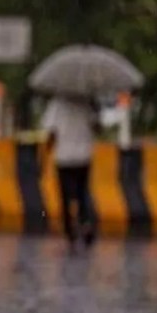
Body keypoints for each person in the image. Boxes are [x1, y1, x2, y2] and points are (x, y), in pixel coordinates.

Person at [42, 94, 101, 249]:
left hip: (63, 157)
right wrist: (96, 110)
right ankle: (85, 223)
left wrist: (45, 153)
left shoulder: (56, 105)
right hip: (83, 156)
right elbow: (97, 128)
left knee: (65, 195)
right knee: (82, 193)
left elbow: (51, 133)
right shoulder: (86, 103)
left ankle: (70, 231)